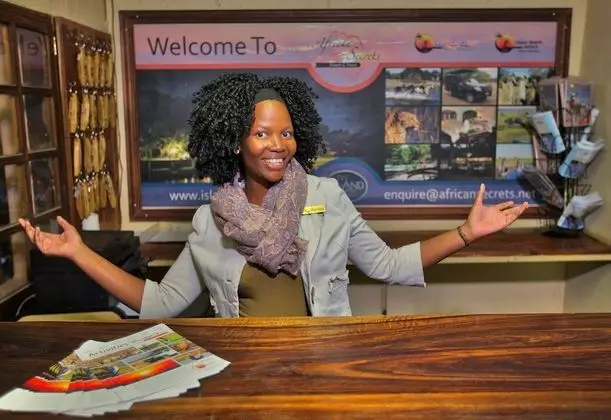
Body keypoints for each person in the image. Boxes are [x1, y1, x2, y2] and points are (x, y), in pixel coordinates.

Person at [19, 72, 528, 319]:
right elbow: (162, 303)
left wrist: (466, 233)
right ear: (234, 141)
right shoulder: (210, 221)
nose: (278, 145)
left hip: (325, 366)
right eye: (262, 133)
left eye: (286, 133)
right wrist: (79, 253)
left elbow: (389, 266)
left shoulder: (328, 198)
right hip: (242, 373)